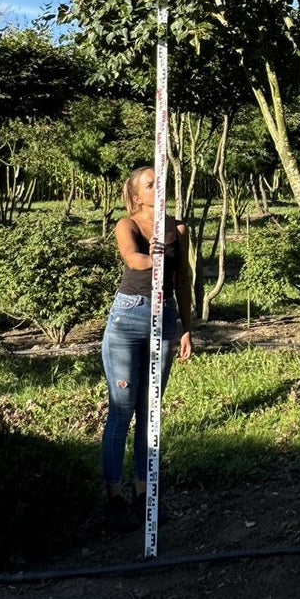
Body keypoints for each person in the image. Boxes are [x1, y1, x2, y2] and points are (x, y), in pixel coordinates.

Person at [101, 164, 193, 531]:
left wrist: (187, 327)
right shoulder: (128, 224)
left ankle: (144, 494)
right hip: (128, 319)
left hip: (165, 316)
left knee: (149, 413)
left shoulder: (179, 229)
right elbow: (131, 257)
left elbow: (182, 279)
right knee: (122, 411)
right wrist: (152, 257)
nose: (159, 188)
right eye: (151, 185)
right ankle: (113, 498)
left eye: (162, 183)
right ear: (137, 196)